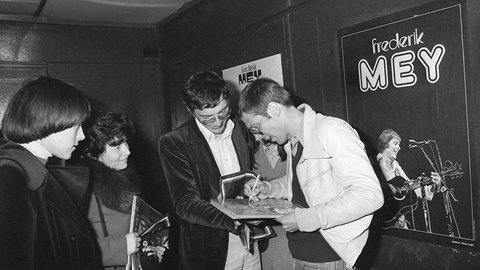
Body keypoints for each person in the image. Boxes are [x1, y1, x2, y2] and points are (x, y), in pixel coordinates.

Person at [239, 78, 384, 270]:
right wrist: (270, 187)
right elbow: (305, 182)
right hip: (304, 254)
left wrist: (305, 219)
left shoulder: (331, 130)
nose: (259, 137)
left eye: (257, 129)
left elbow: (370, 195)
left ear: (274, 110)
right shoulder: (295, 140)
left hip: (327, 256)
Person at [158, 71, 261, 270]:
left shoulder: (240, 128)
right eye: (207, 118)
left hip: (250, 245)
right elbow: (185, 204)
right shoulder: (174, 142)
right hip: (211, 251)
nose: (217, 122)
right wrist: (236, 221)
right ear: (190, 109)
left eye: (223, 112)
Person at [0, 76, 99, 269]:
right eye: (76, 126)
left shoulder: (26, 169)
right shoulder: (10, 175)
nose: (82, 136)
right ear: (48, 120)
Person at [78, 111, 165, 269]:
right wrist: (121, 247)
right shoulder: (83, 188)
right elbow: (73, 250)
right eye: (117, 147)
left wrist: (150, 247)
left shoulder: (126, 178)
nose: (127, 151)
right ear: (93, 153)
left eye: (126, 143)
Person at [376, 128, 440, 230]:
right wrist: (384, 186)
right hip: (377, 220)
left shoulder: (396, 166)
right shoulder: (373, 162)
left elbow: (411, 187)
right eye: (395, 143)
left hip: (397, 220)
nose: (399, 148)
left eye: (399, 144)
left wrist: (433, 187)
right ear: (385, 143)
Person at [251, 138, 292, 270]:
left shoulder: (292, 145)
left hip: (292, 222)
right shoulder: (250, 150)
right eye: (253, 131)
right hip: (265, 228)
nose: (259, 136)